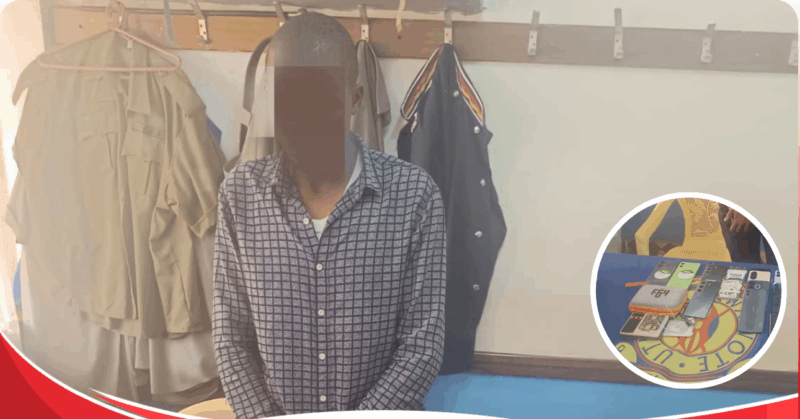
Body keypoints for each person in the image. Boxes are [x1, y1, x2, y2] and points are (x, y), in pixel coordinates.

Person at [212, 12, 447, 419]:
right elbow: (230, 337)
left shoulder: (413, 196)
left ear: (354, 99)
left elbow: (421, 345)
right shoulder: (240, 196)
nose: (299, 118)